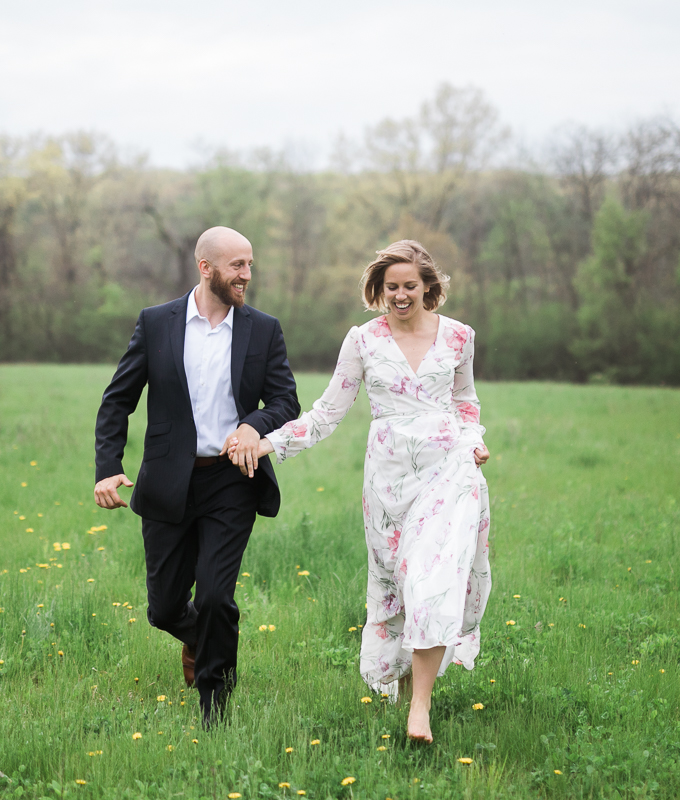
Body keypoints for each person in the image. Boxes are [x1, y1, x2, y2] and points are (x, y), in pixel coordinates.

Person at [230, 239, 491, 743]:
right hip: (389, 478)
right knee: (396, 586)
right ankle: (391, 679)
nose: (399, 295)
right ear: (379, 289)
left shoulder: (459, 337)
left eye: (409, 286)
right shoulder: (363, 341)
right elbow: (327, 412)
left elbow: (465, 402)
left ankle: (421, 707)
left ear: (428, 287)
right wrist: (268, 444)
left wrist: (474, 441)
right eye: (390, 286)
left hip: (451, 471)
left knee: (431, 579)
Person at [94, 226, 300, 728]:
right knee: (164, 609)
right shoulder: (157, 323)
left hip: (232, 480)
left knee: (213, 596)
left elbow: (285, 402)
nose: (246, 275)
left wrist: (253, 425)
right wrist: (108, 469)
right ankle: (199, 636)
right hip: (167, 481)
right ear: (206, 268)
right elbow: (118, 398)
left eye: (250, 265)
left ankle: (216, 707)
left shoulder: (263, 329)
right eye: (237, 266)